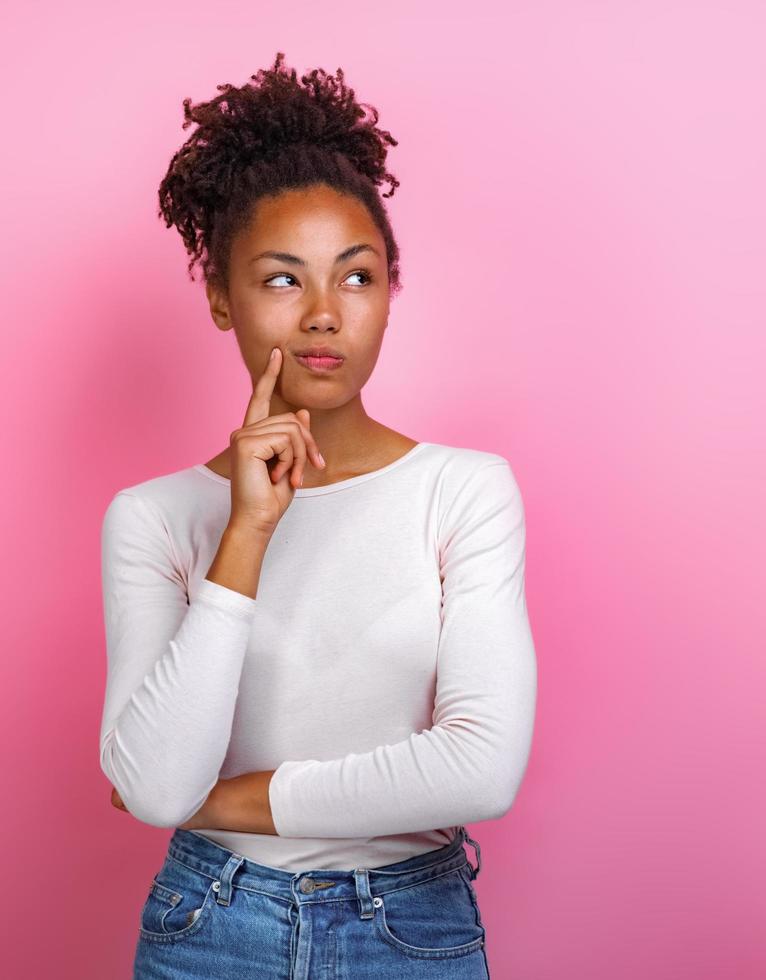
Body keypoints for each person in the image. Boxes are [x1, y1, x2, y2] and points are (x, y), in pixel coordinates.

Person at [97, 52, 536, 979]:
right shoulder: (155, 518)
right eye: (283, 279)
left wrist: (219, 800)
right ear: (221, 297)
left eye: (356, 277)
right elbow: (155, 785)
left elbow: (480, 769)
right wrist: (247, 532)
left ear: (389, 293)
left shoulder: (462, 492)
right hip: (208, 928)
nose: (325, 316)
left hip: (411, 927)